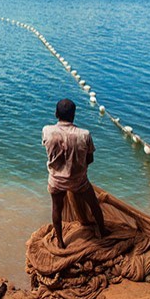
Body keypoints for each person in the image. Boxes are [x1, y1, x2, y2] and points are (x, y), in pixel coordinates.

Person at [42, 99, 107, 247]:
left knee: (56, 208)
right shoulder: (84, 135)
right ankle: (103, 232)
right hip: (78, 181)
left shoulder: (47, 131)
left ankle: (60, 242)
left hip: (56, 180)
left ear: (56, 114)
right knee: (94, 205)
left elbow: (49, 153)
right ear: (74, 115)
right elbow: (90, 159)